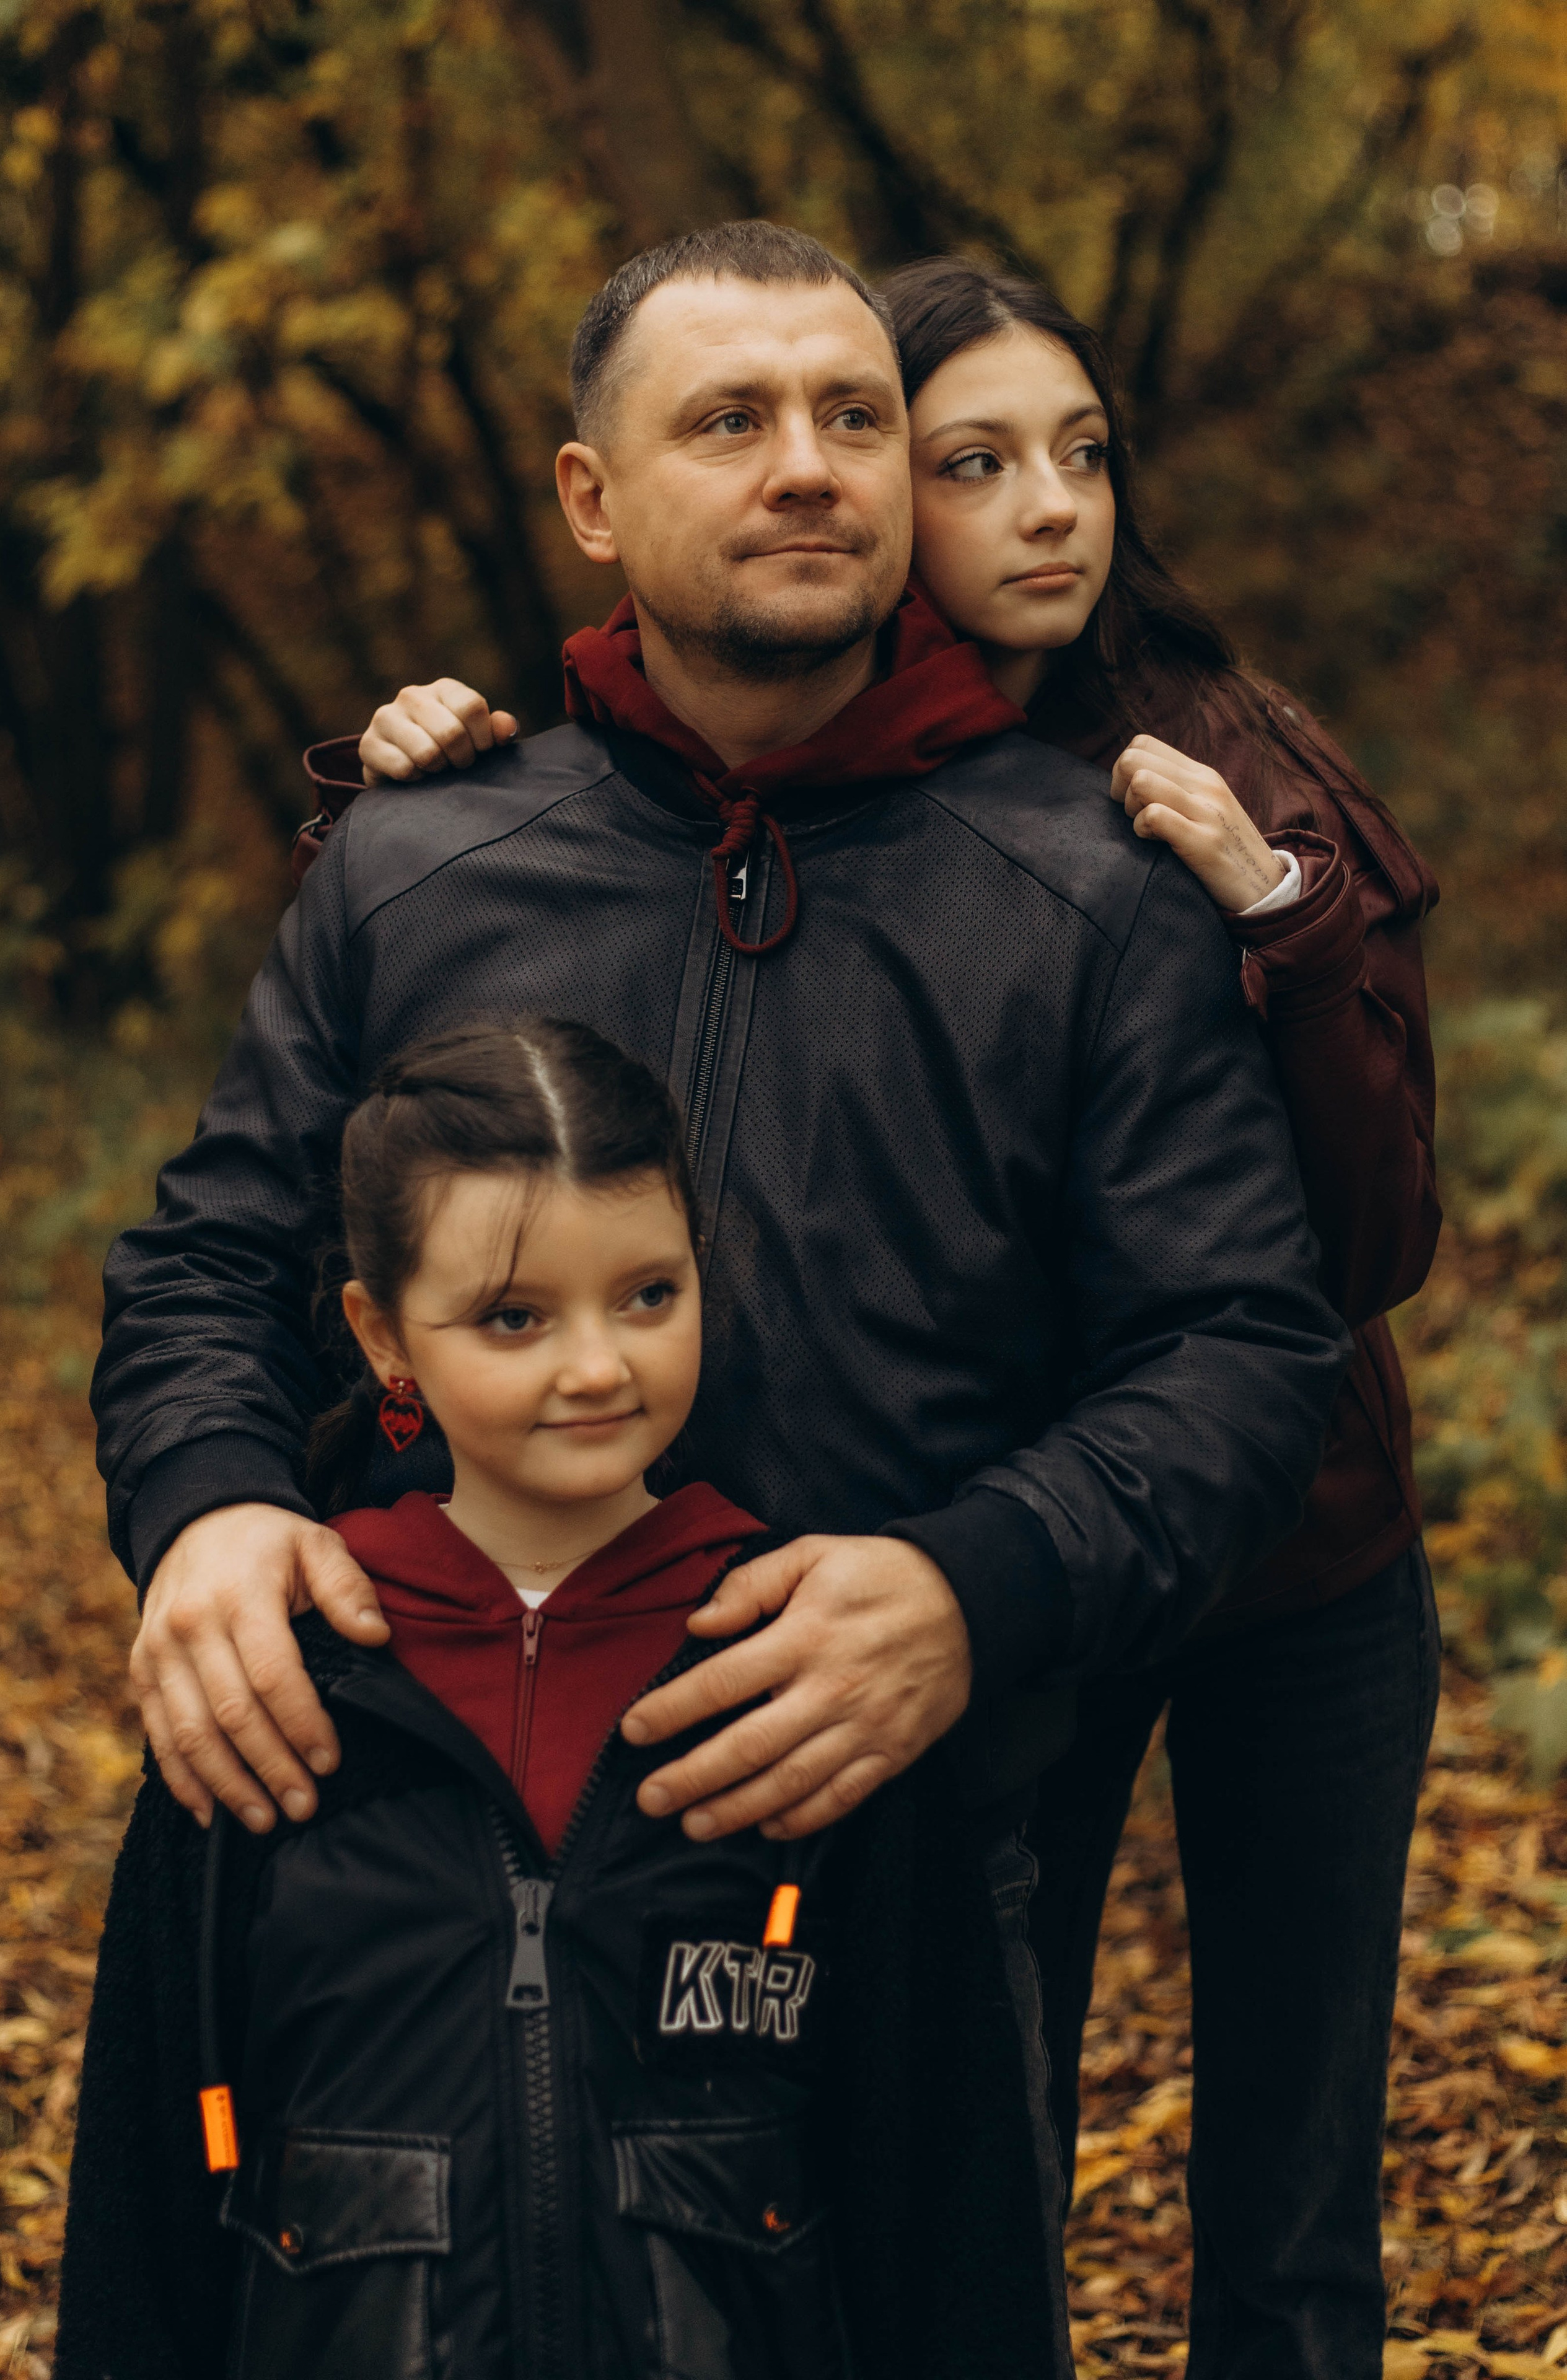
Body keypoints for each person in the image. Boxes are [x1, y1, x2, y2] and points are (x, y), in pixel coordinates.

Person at [91, 220, 1351, 2361]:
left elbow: (1239, 1347)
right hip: (416, 1819)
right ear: (594, 498)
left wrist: (970, 1584)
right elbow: (213, 1256)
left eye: (855, 416)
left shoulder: (1089, 896)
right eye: (732, 420)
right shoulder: (417, 862)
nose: (808, 466)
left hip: (887, 1846)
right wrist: (209, 1505)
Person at [59, 1018, 1062, 2380]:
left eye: (647, 1294)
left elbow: (949, 2219)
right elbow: (142, 2219)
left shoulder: (808, 1671)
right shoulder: (280, 1682)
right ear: (384, 1336)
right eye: (514, 1316)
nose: (597, 1365)